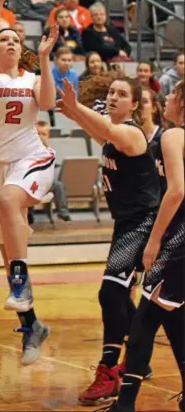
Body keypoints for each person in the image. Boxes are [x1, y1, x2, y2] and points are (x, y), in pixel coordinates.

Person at [0, 0, 58, 365]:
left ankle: (30, 203)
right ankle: (32, 327)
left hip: (32, 157)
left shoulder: (34, 77)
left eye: (14, 39)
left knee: (10, 198)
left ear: (21, 49)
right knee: (9, 261)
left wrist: (43, 57)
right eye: (3, 38)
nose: (8, 42)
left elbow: (51, 103)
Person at [56, 76, 160, 405]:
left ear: (133, 104)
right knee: (114, 295)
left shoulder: (130, 133)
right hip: (125, 225)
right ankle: (131, 359)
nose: (114, 97)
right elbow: (93, 126)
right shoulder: (108, 134)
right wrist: (72, 109)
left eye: (122, 94)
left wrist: (77, 108)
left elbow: (107, 129)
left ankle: (114, 366)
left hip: (143, 223)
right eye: (111, 93)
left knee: (110, 291)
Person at [101, 81, 184, 412]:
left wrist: (153, 240)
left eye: (173, 95)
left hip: (177, 242)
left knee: (145, 319)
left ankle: (126, 403)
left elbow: (176, 191)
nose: (167, 100)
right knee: (174, 318)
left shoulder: (172, 135)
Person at [36, 120, 71, 221]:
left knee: (59, 186)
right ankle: (29, 215)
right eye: (38, 134)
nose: (41, 137)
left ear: (48, 136)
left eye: (44, 134)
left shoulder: (49, 151)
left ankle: (63, 213)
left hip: (46, 182)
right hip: (31, 181)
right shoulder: (29, 149)